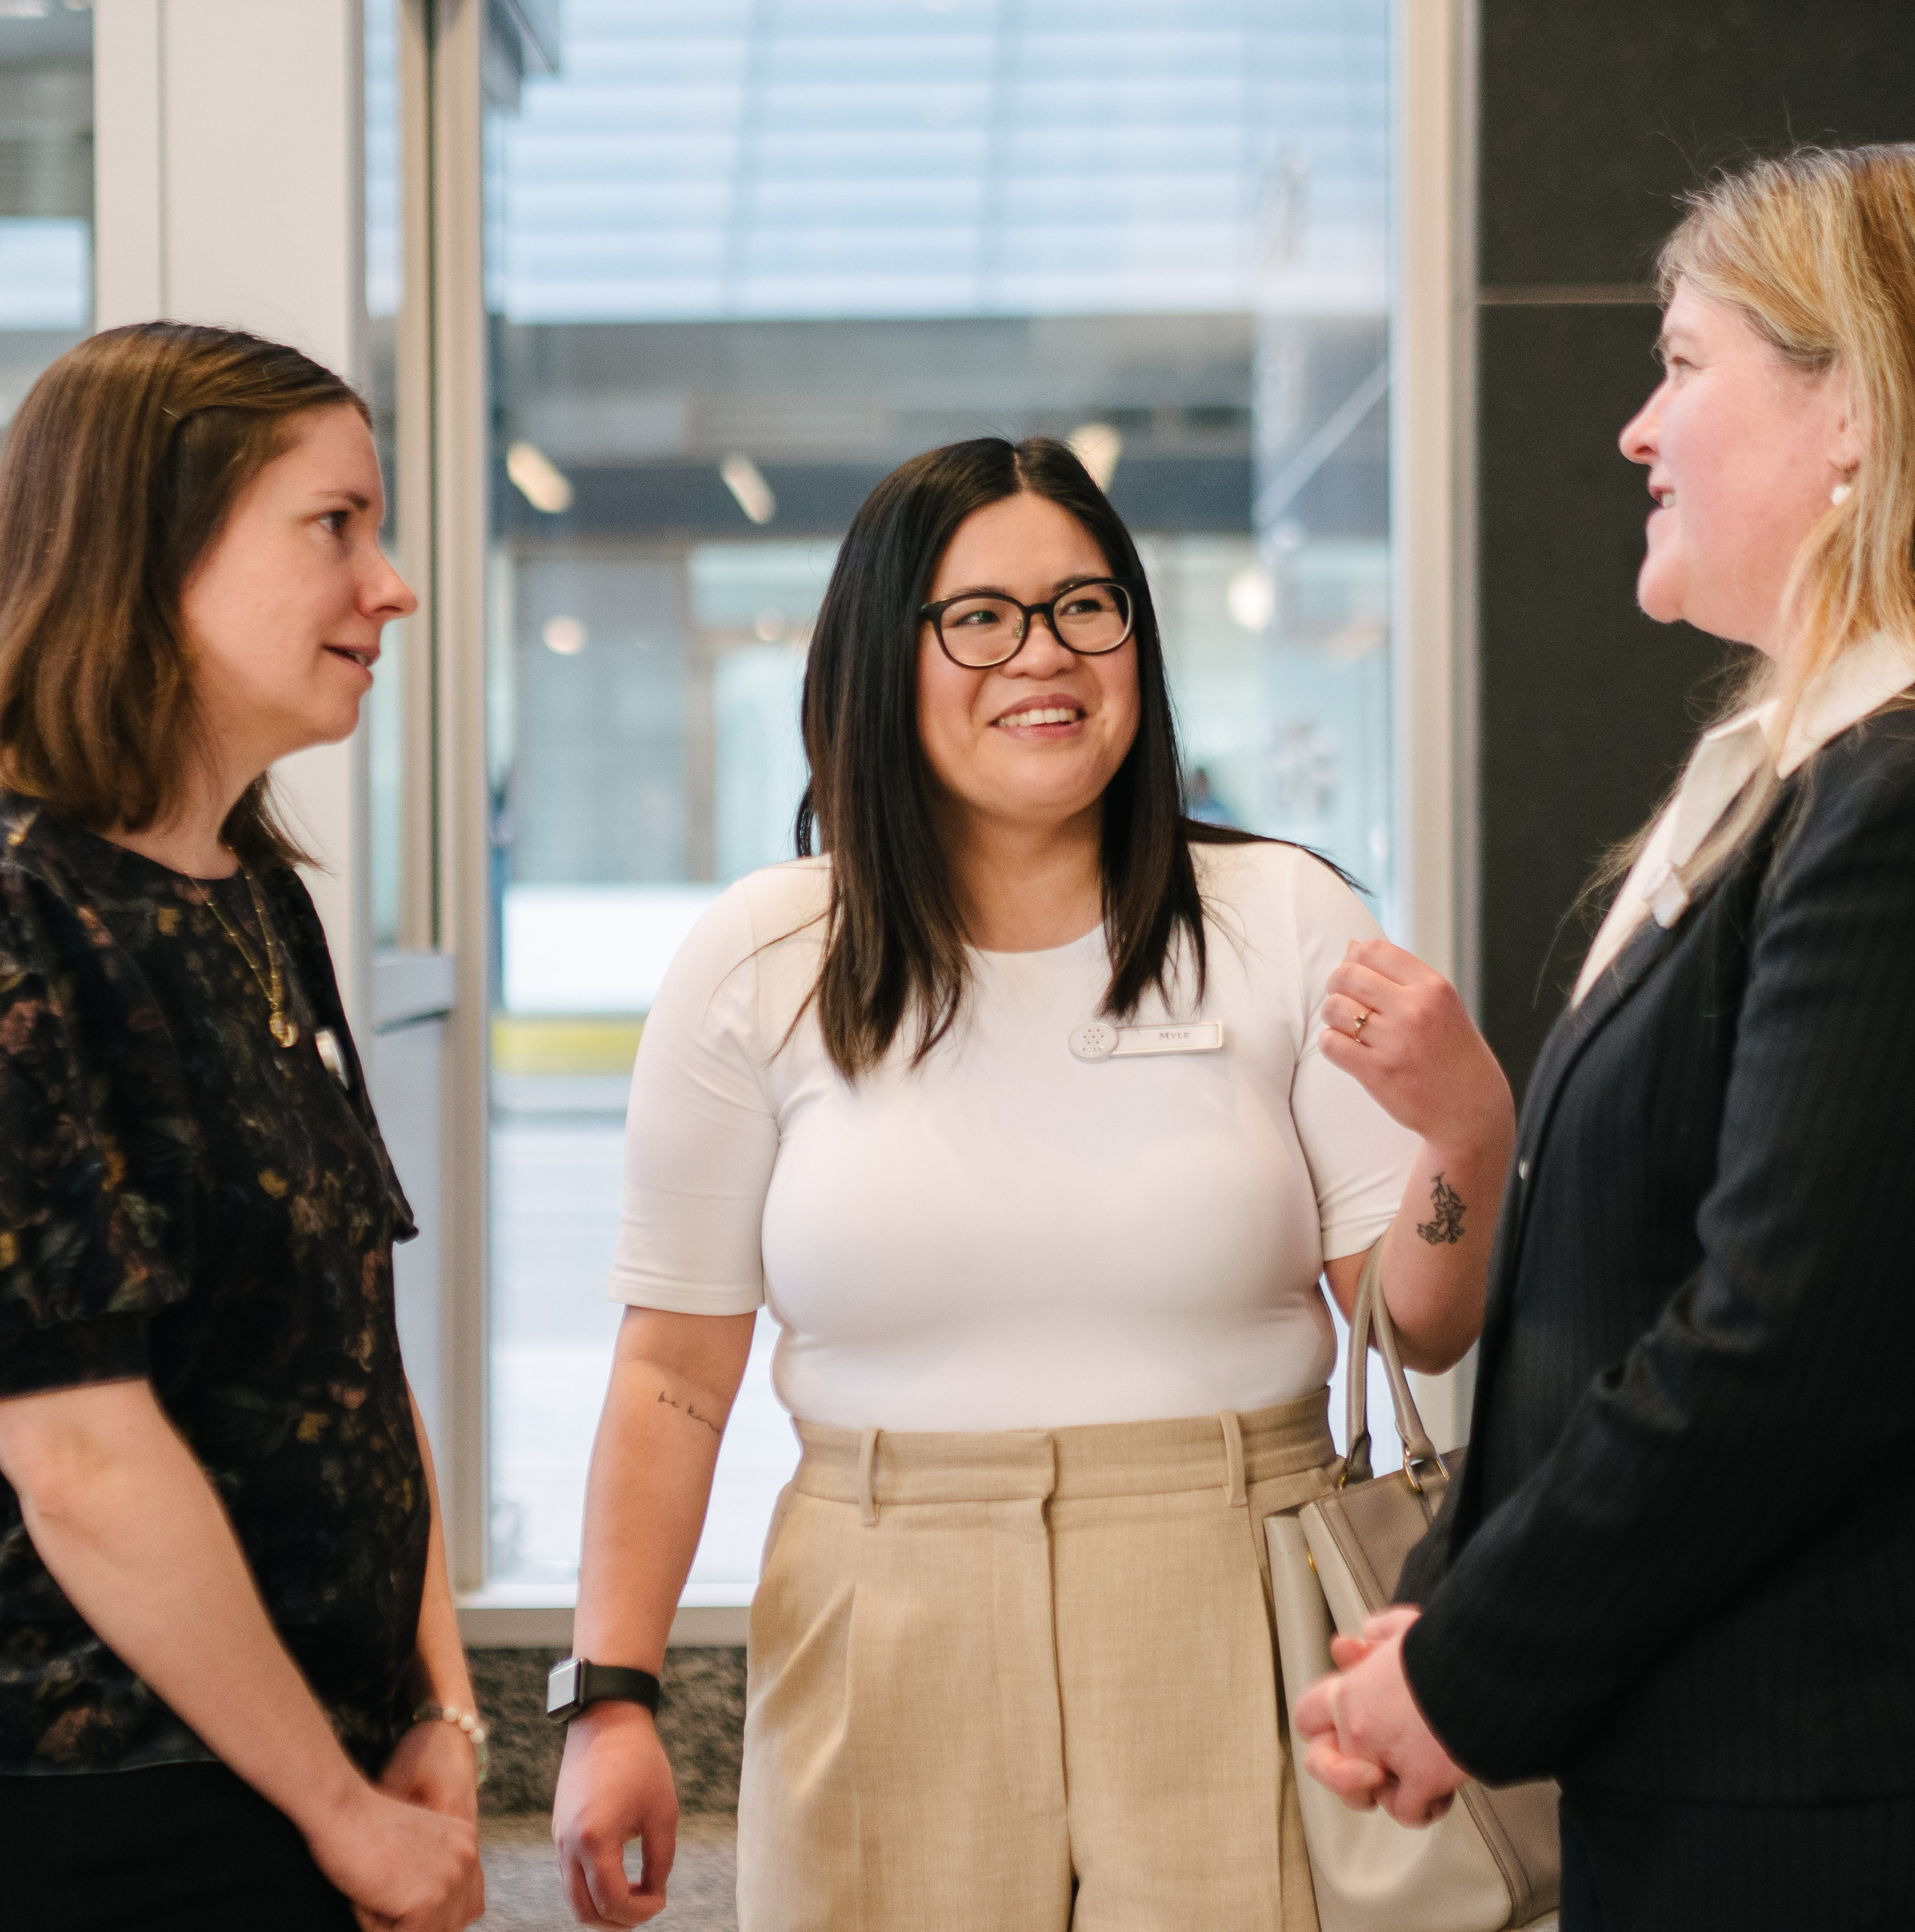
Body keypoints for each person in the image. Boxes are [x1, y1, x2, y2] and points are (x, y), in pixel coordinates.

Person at [551, 435, 1513, 1930]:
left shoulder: (1278, 914)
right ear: (883, 656)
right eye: (980, 617)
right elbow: (673, 1369)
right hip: (883, 1599)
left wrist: (1464, 1138)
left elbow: (1418, 1323)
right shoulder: (759, 957)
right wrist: (609, 1694)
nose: (1042, 655)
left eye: (1086, 605)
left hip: (1232, 1593)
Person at [1295, 146, 1915, 1931]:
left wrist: (1466, 1660)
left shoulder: (1879, 806)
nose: (1636, 430)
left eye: (1682, 362)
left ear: (1854, 415)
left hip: (1811, 1805)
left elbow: (1773, 1342)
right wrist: (1463, 1612)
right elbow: (1646, 1311)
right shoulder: (1787, 781)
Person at [0, 323, 484, 1932]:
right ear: (148, 551)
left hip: (309, 1771)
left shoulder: (255, 897)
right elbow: (72, 1446)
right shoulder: (14, 911)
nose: (387, 585)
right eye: (333, 524)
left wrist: (438, 1706)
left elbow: (350, 1335)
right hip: (111, 1806)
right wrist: (339, 1810)